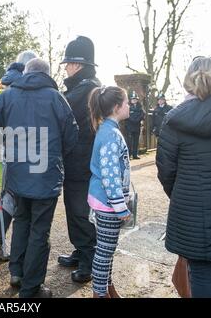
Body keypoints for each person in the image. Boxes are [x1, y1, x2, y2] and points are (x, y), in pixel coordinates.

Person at [0, 58, 79, 298]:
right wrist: (57, 154)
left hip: (18, 174)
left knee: (21, 223)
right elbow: (72, 134)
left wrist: (4, 145)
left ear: (26, 72)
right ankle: (31, 289)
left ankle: (17, 274)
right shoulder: (56, 97)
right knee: (39, 232)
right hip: (45, 175)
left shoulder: (10, 95)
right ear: (47, 73)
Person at [156, 56, 211, 298]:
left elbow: (166, 170)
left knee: (199, 274)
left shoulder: (175, 119)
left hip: (192, 210)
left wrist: (180, 195)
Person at [0, 50, 38, 261]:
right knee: (22, 203)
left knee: (10, 196)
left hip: (12, 149)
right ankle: (5, 248)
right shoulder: (26, 87)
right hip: (27, 151)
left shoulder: (11, 86)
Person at [57, 36, 100, 283]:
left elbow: (61, 110)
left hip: (81, 162)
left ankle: (88, 259)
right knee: (74, 210)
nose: (66, 67)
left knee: (80, 211)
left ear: (79, 64)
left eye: (69, 63)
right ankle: (80, 249)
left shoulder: (85, 89)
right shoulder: (83, 87)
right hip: (76, 160)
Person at [88, 86, 131, 298]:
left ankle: (107, 288)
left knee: (107, 249)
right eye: (126, 102)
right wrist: (120, 207)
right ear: (116, 107)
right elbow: (110, 175)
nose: (129, 105)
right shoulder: (111, 134)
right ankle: (99, 293)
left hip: (105, 201)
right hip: (108, 203)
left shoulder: (107, 130)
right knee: (104, 252)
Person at [125, 91, 145, 159]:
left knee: (136, 141)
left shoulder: (140, 107)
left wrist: (137, 120)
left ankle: (135, 155)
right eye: (133, 99)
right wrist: (133, 120)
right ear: (131, 100)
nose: (134, 100)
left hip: (137, 126)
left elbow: (142, 114)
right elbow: (126, 115)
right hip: (130, 126)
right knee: (129, 141)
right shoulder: (127, 106)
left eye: (135, 99)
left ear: (137, 100)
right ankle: (129, 155)